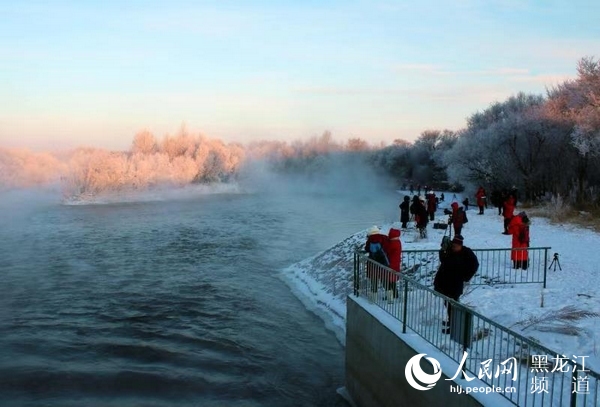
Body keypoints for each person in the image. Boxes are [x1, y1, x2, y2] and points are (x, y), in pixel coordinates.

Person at [433, 234, 479, 333]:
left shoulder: (466, 252)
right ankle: (451, 321)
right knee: (447, 303)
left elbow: (475, 264)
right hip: (444, 281)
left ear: (460, 245)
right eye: (453, 245)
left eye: (455, 246)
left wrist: (466, 276)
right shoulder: (449, 251)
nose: (454, 247)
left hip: (455, 283)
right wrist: (442, 249)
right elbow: (443, 260)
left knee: (452, 304)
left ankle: (454, 326)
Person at [364, 226, 389, 301]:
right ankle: (390, 298)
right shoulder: (384, 238)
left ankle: (373, 298)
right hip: (383, 262)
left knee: (374, 281)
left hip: (373, 262)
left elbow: (367, 249)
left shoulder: (370, 239)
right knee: (384, 280)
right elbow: (387, 248)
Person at [386, 227, 402, 302]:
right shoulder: (398, 242)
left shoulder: (392, 243)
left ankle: (390, 297)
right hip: (396, 263)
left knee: (388, 280)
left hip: (391, 263)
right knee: (392, 280)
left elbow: (388, 251)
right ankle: (395, 294)